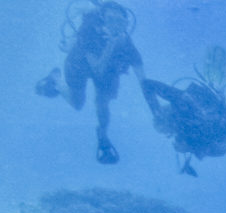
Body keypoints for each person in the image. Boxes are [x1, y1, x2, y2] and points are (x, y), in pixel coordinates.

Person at [35, 1, 152, 164]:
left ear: (126, 23)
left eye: (120, 21)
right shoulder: (89, 31)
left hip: (106, 69)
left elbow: (144, 80)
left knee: (103, 103)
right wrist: (110, 45)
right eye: (111, 19)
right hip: (78, 65)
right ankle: (55, 80)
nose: (115, 25)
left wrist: (154, 107)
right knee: (77, 104)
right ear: (102, 19)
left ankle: (103, 137)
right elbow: (97, 68)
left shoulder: (126, 43)